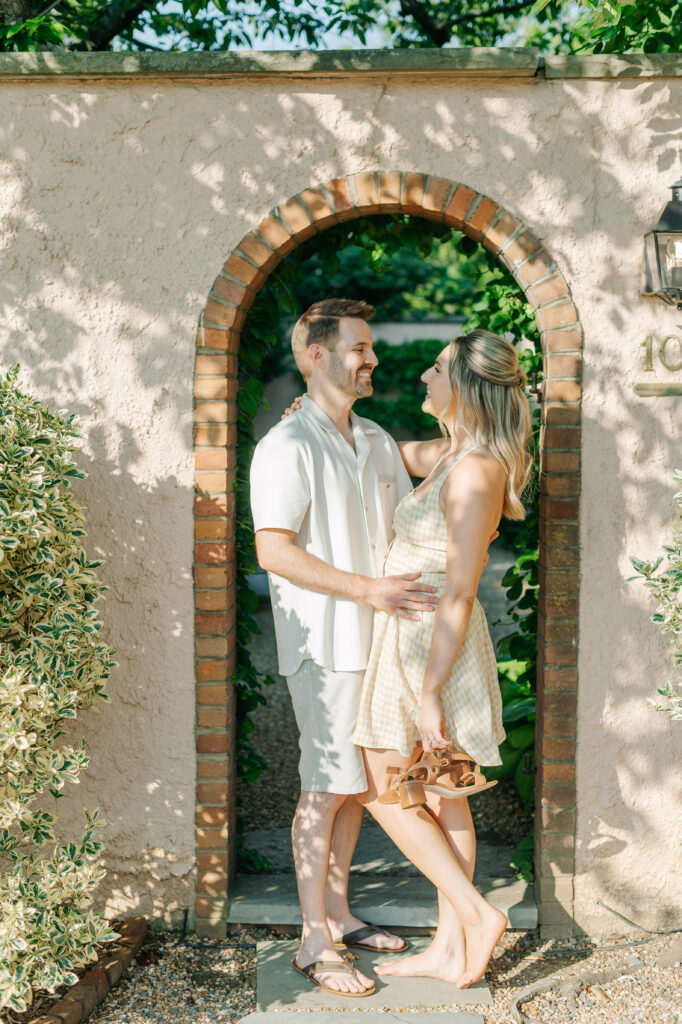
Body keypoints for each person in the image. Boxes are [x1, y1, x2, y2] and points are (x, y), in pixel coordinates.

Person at [249, 298, 442, 998]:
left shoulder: (373, 437)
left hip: (380, 644)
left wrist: (487, 429)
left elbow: (418, 484)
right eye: (360, 348)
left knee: (356, 786)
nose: (373, 359)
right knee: (325, 786)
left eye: (370, 347)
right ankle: (313, 942)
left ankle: (338, 913)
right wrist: (369, 590)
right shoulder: (286, 445)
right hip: (327, 643)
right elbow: (273, 551)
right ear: (316, 355)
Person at [352, 328, 533, 989]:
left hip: (434, 641)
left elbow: (460, 590)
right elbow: (384, 449)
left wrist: (430, 692)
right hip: (410, 633)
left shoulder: (477, 470)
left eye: (436, 368)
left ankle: (477, 916)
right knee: (443, 795)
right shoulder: (450, 453)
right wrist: (320, 417)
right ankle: (450, 947)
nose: (423, 376)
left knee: (381, 786)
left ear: (467, 386)